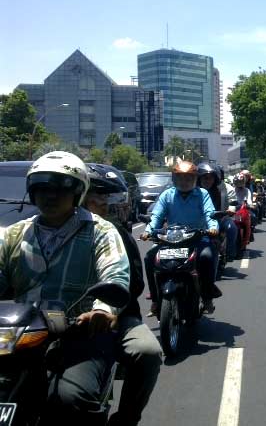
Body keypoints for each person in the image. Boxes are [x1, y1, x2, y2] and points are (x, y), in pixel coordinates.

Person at [0, 151, 130, 423]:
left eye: (60, 189)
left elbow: (115, 273)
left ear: (77, 193)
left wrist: (102, 310)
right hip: (19, 335)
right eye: (42, 188)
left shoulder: (100, 231)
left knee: (71, 399)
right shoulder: (12, 234)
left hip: (79, 333)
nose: (50, 196)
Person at [83, 164, 162, 426]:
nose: (105, 205)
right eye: (98, 197)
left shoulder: (119, 234)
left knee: (148, 352)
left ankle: (126, 419)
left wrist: (108, 307)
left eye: (111, 198)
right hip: (52, 316)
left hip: (119, 315)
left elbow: (134, 285)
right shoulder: (33, 229)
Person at [141, 161, 220, 316]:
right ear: (174, 179)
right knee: (150, 257)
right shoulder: (167, 195)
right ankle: (156, 300)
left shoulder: (202, 194)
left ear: (195, 180)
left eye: (188, 179)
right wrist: (148, 231)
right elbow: (156, 216)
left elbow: (210, 214)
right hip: (171, 239)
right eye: (180, 178)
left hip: (197, 238)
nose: (184, 182)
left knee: (206, 257)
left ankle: (207, 297)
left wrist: (213, 228)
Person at [197, 163, 238, 262]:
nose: (208, 181)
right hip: (197, 222)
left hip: (219, 218)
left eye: (210, 178)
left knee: (231, 228)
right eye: (205, 178)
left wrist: (230, 211)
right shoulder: (193, 192)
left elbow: (231, 202)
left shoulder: (223, 189)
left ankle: (230, 252)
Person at [232, 173, 252, 250]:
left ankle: (249, 236)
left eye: (240, 182)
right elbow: (230, 199)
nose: (239, 184)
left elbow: (249, 199)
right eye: (237, 182)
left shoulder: (247, 190)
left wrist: (250, 205)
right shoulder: (232, 190)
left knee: (252, 218)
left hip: (244, 210)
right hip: (234, 211)